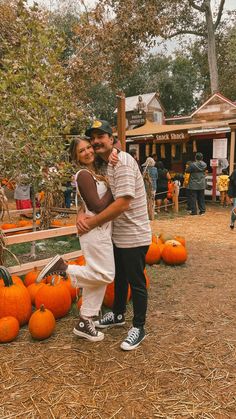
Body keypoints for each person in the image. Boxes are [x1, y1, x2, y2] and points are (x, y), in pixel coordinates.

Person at [78, 119, 151, 351]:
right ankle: (118, 314)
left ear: (112, 139)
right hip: (118, 235)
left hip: (134, 234)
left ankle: (138, 327)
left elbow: (122, 204)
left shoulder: (123, 162)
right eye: (93, 138)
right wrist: (80, 211)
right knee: (119, 277)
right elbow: (90, 190)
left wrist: (92, 223)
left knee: (136, 282)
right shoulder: (106, 164)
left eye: (101, 137)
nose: (96, 142)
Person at [36, 137, 115, 342]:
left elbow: (88, 205)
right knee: (106, 275)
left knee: (96, 279)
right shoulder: (83, 175)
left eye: (89, 147)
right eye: (82, 151)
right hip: (94, 231)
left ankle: (85, 320)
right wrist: (115, 191)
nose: (88, 152)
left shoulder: (95, 173)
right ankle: (64, 268)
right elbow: (97, 206)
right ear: (76, 156)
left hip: (100, 229)